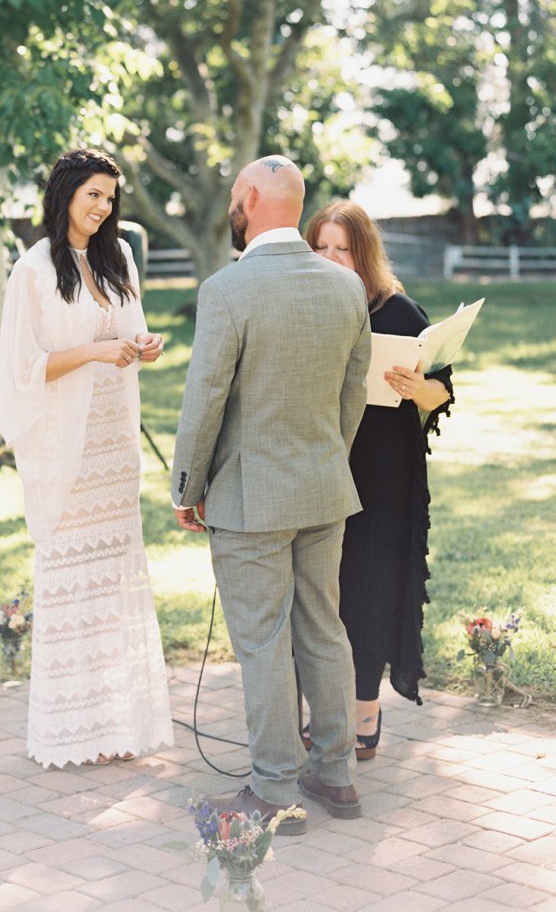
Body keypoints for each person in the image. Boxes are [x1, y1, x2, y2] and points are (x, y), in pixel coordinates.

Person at [172, 156, 371, 833]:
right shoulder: (346, 288)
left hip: (251, 500)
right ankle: (337, 775)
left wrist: (186, 488)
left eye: (234, 195)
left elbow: (204, 403)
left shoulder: (227, 290)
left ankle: (277, 788)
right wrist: (324, 463)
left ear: (251, 199)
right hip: (323, 488)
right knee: (323, 627)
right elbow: (352, 400)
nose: (232, 203)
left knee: (262, 640)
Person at [0, 148, 174, 768]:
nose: (102, 207)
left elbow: (130, 331)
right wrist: (100, 354)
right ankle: (72, 730)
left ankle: (118, 721)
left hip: (114, 444)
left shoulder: (118, 256)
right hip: (65, 444)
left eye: (110, 197)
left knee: (114, 580)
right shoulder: (34, 269)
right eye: (93, 194)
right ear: (66, 193)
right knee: (72, 583)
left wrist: (142, 346)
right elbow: (24, 368)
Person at [305, 200, 453, 759]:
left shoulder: (398, 312)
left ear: (363, 253)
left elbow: (442, 390)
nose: (331, 257)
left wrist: (418, 389)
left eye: (342, 248)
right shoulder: (304, 306)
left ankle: (365, 714)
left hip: (385, 475)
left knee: (366, 588)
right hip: (320, 467)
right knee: (321, 593)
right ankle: (322, 714)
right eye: (321, 246)